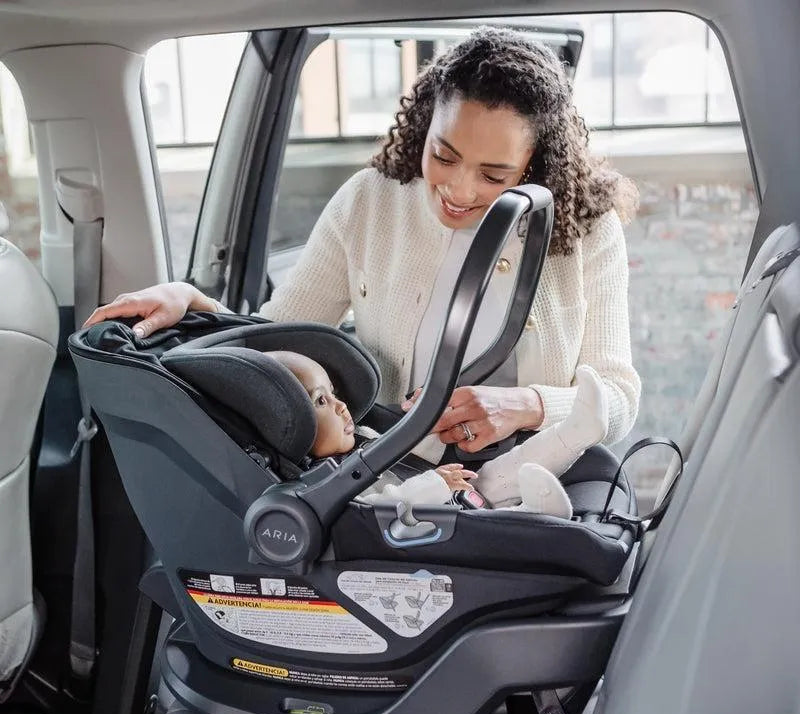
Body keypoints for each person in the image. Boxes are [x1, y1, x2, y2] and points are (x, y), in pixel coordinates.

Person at [84, 27, 640, 456]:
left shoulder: (586, 230)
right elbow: (281, 343)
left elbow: (618, 398)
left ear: (533, 165)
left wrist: (526, 406)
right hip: (394, 469)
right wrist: (195, 304)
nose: (460, 189)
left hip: (535, 478)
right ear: (425, 126)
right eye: (443, 155)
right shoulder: (370, 201)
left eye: (494, 175)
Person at [266, 350, 608, 519]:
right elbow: (374, 512)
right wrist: (436, 484)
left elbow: (411, 453)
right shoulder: (318, 487)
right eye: (322, 401)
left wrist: (429, 422)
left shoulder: (365, 436)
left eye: (335, 392)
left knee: (499, 471)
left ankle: (576, 433)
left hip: (460, 492)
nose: (342, 406)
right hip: (439, 526)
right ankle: (537, 515)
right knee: (492, 520)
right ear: (288, 425)